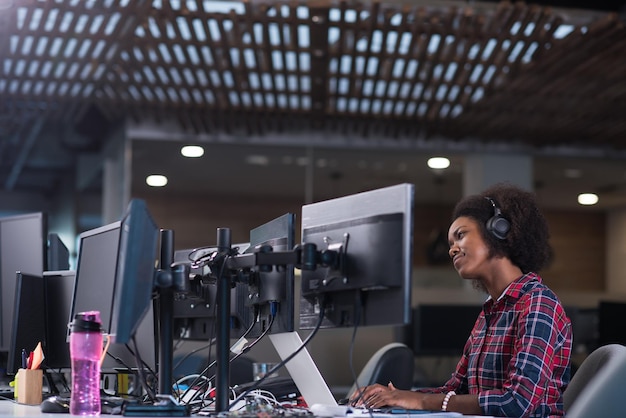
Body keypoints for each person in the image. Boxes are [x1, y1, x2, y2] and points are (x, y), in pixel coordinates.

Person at [351, 183, 572, 417]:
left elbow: (517, 403)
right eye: (450, 243)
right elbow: (455, 390)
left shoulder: (538, 303)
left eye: (460, 235)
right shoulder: (491, 311)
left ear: (499, 230)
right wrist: (396, 397)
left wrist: (420, 401)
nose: (452, 250)